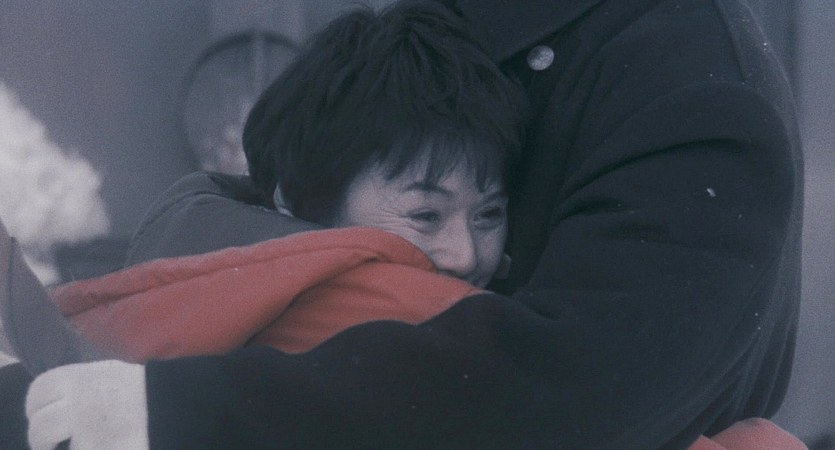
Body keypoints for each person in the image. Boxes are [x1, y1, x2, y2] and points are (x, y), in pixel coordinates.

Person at [13, 0, 804, 448]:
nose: (462, 251)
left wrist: (183, 411)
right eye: (427, 212)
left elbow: (585, 386)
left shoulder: (681, 76)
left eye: (486, 214)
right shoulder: (469, 26)